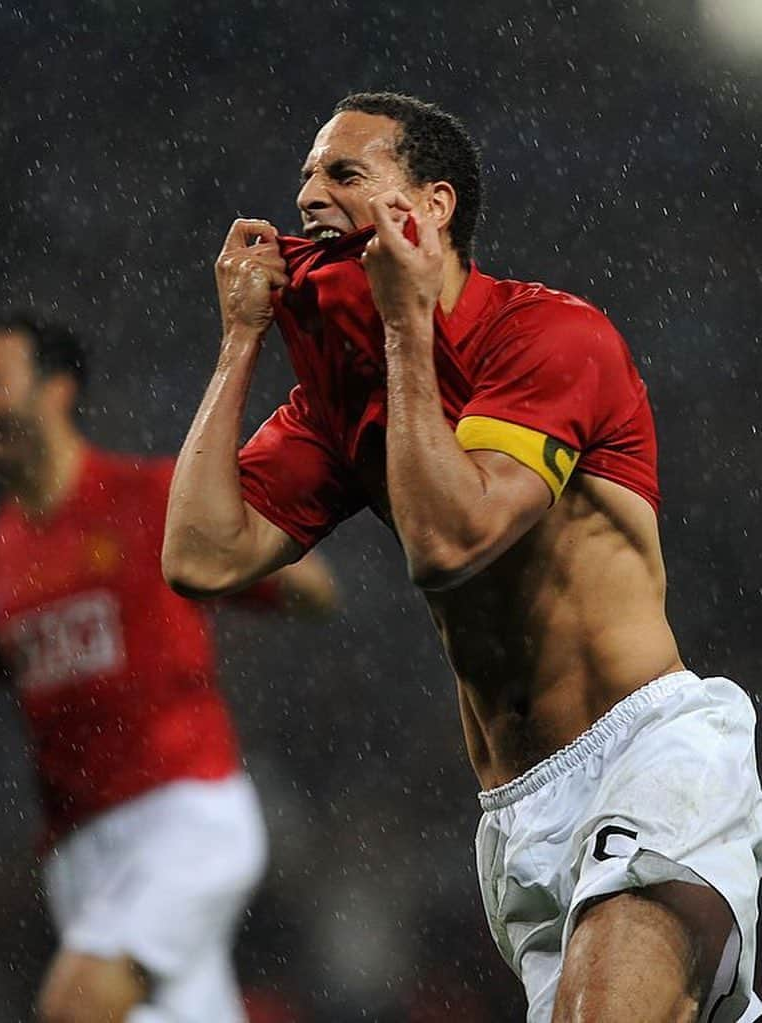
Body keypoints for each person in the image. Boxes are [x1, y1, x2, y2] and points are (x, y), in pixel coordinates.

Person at [161, 92, 762, 1022]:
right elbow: (199, 555)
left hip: (652, 751)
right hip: (516, 814)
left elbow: (451, 544)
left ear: (431, 207)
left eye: (343, 173)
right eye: (306, 176)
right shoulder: (346, 400)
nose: (308, 194)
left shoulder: (547, 336)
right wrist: (240, 337)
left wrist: (403, 324)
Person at [0, 312, 339, 1023]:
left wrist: (269, 548)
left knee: (74, 1007)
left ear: (56, 390)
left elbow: (315, 592)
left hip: (187, 818)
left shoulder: (148, 499)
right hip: (78, 858)